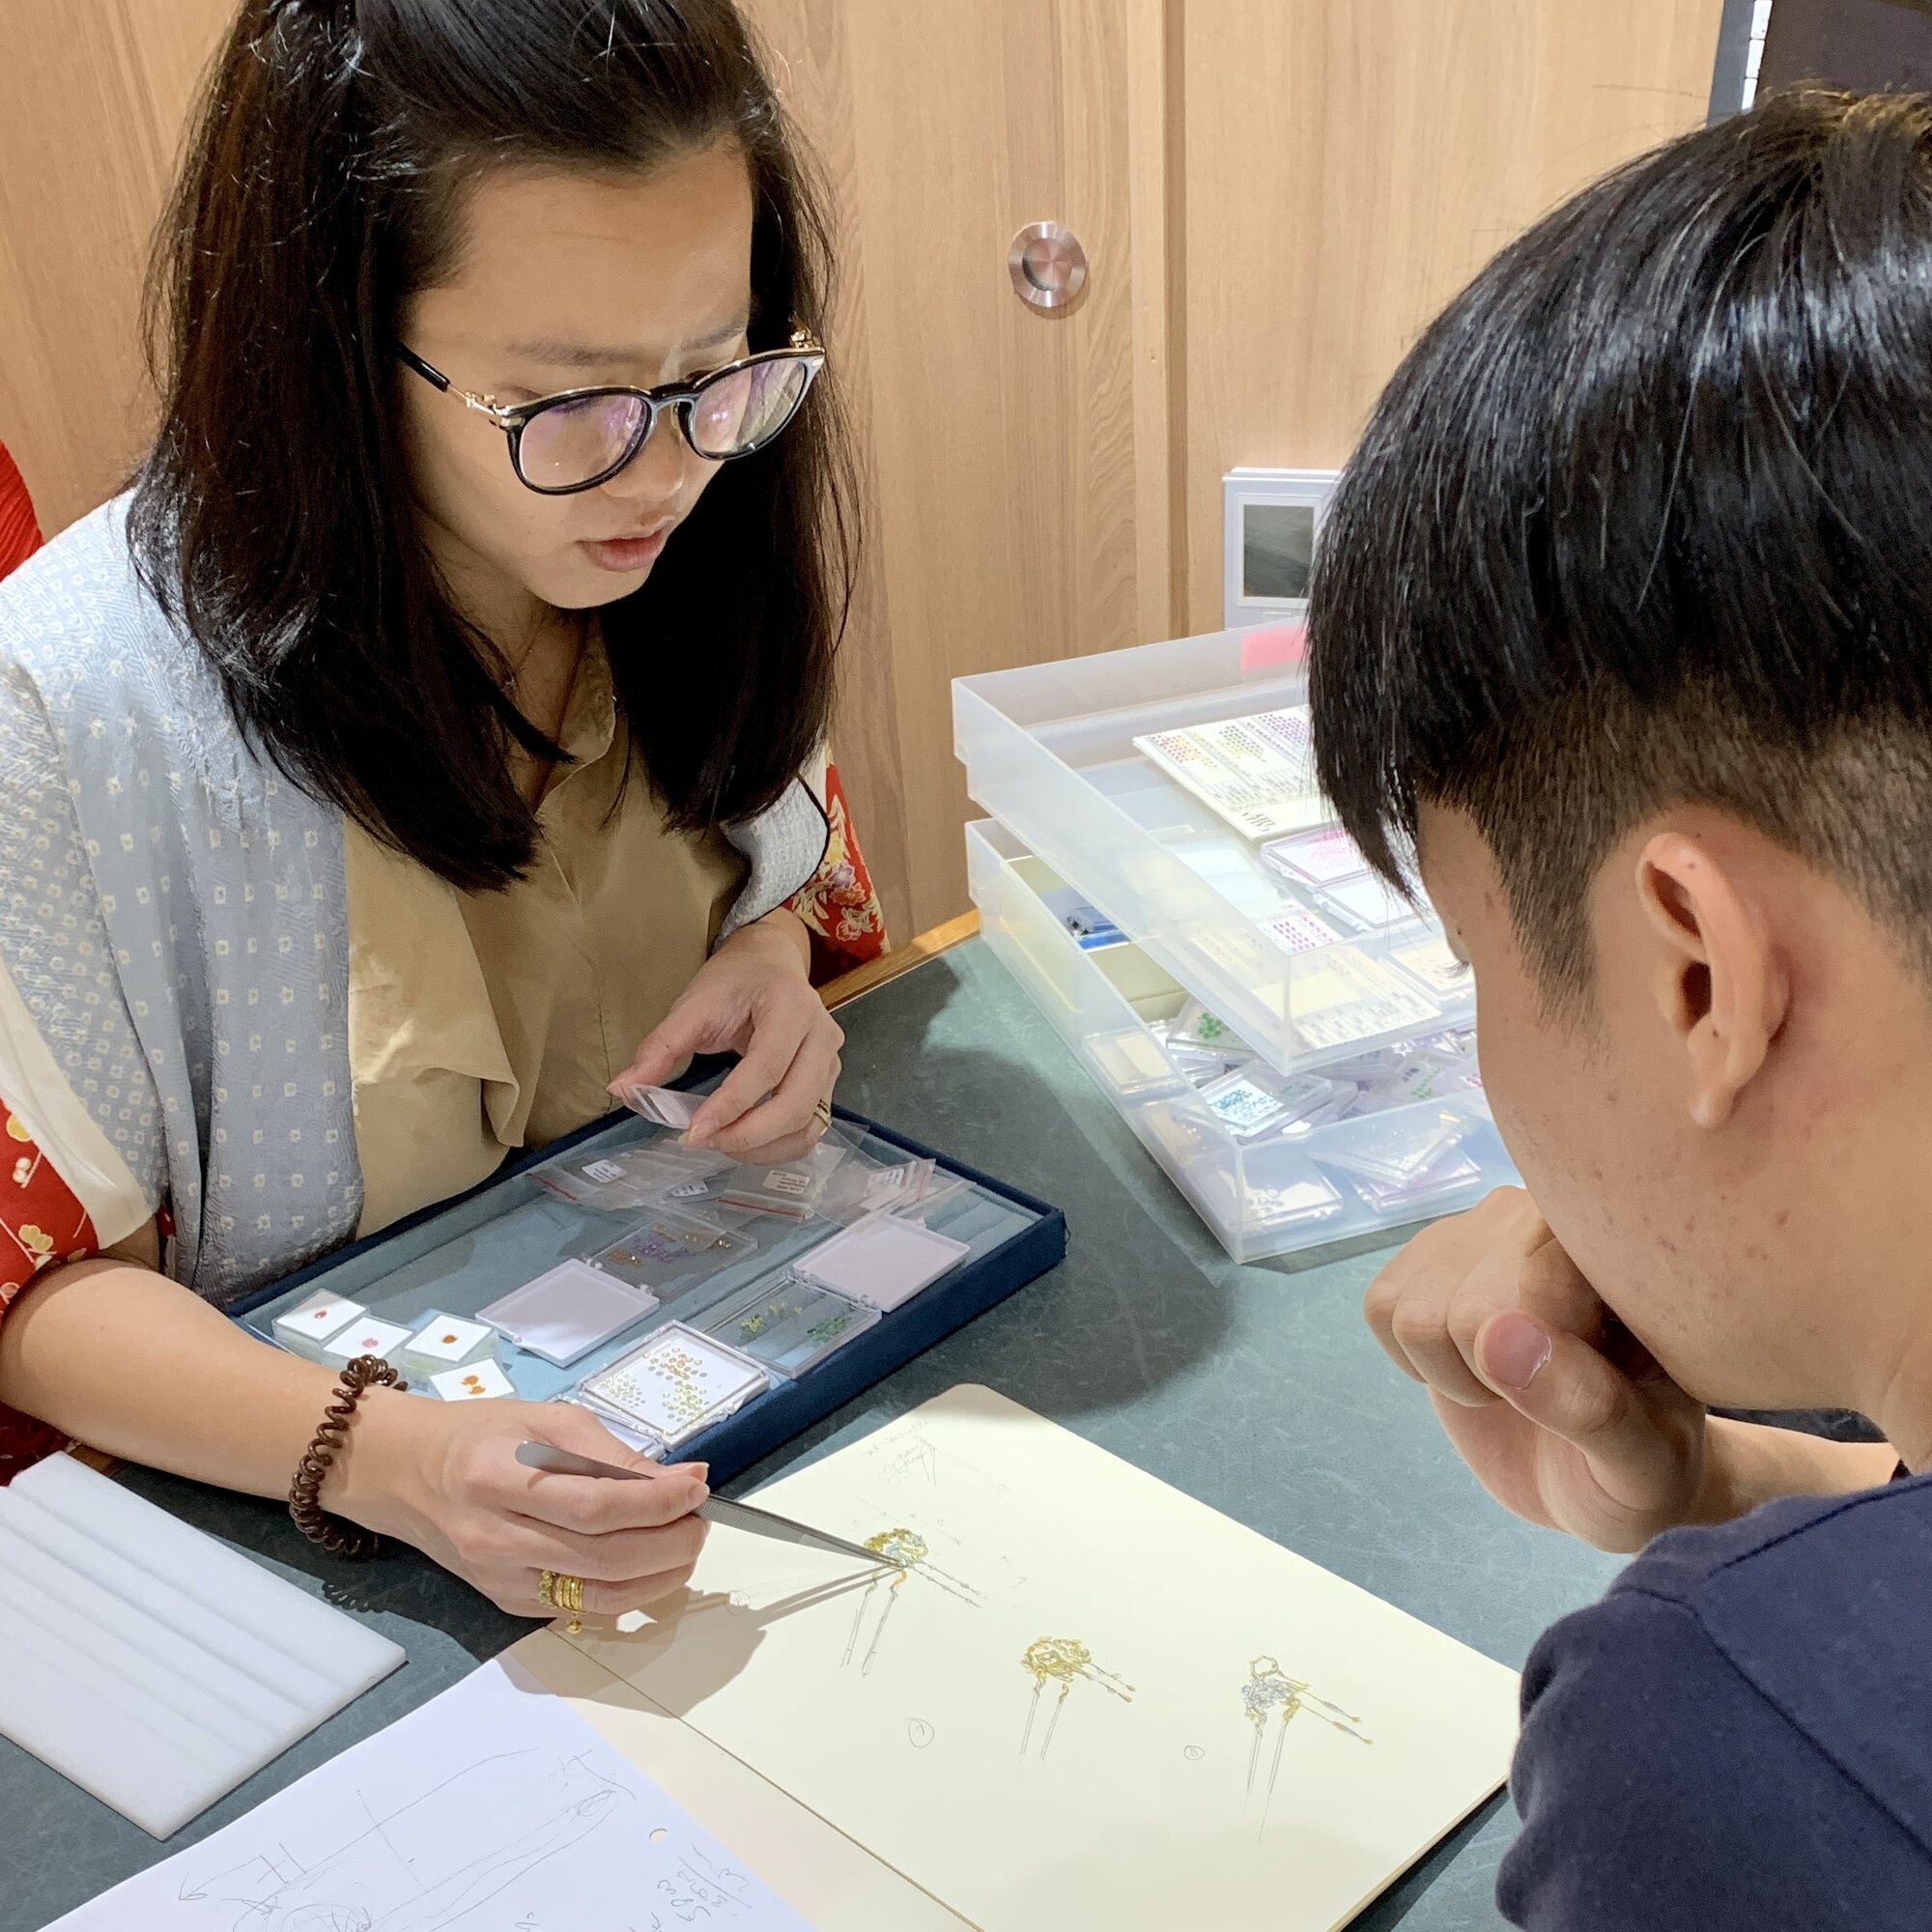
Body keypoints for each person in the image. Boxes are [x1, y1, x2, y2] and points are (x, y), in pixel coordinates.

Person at [0, 0, 887, 1619]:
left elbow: (784, 847)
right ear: (337, 343)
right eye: (572, 405)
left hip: (703, 1388)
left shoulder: (698, 534)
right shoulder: (72, 704)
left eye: (715, 372)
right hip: (336, 1552)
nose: (666, 475)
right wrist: (386, 1456)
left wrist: (768, 962)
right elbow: (39, 1303)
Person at [1307, 88, 1932, 1928]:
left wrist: (1758, 1642)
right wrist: (1731, 1488)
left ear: (1697, 974)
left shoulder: (1715, 1752)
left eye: (1478, 969)